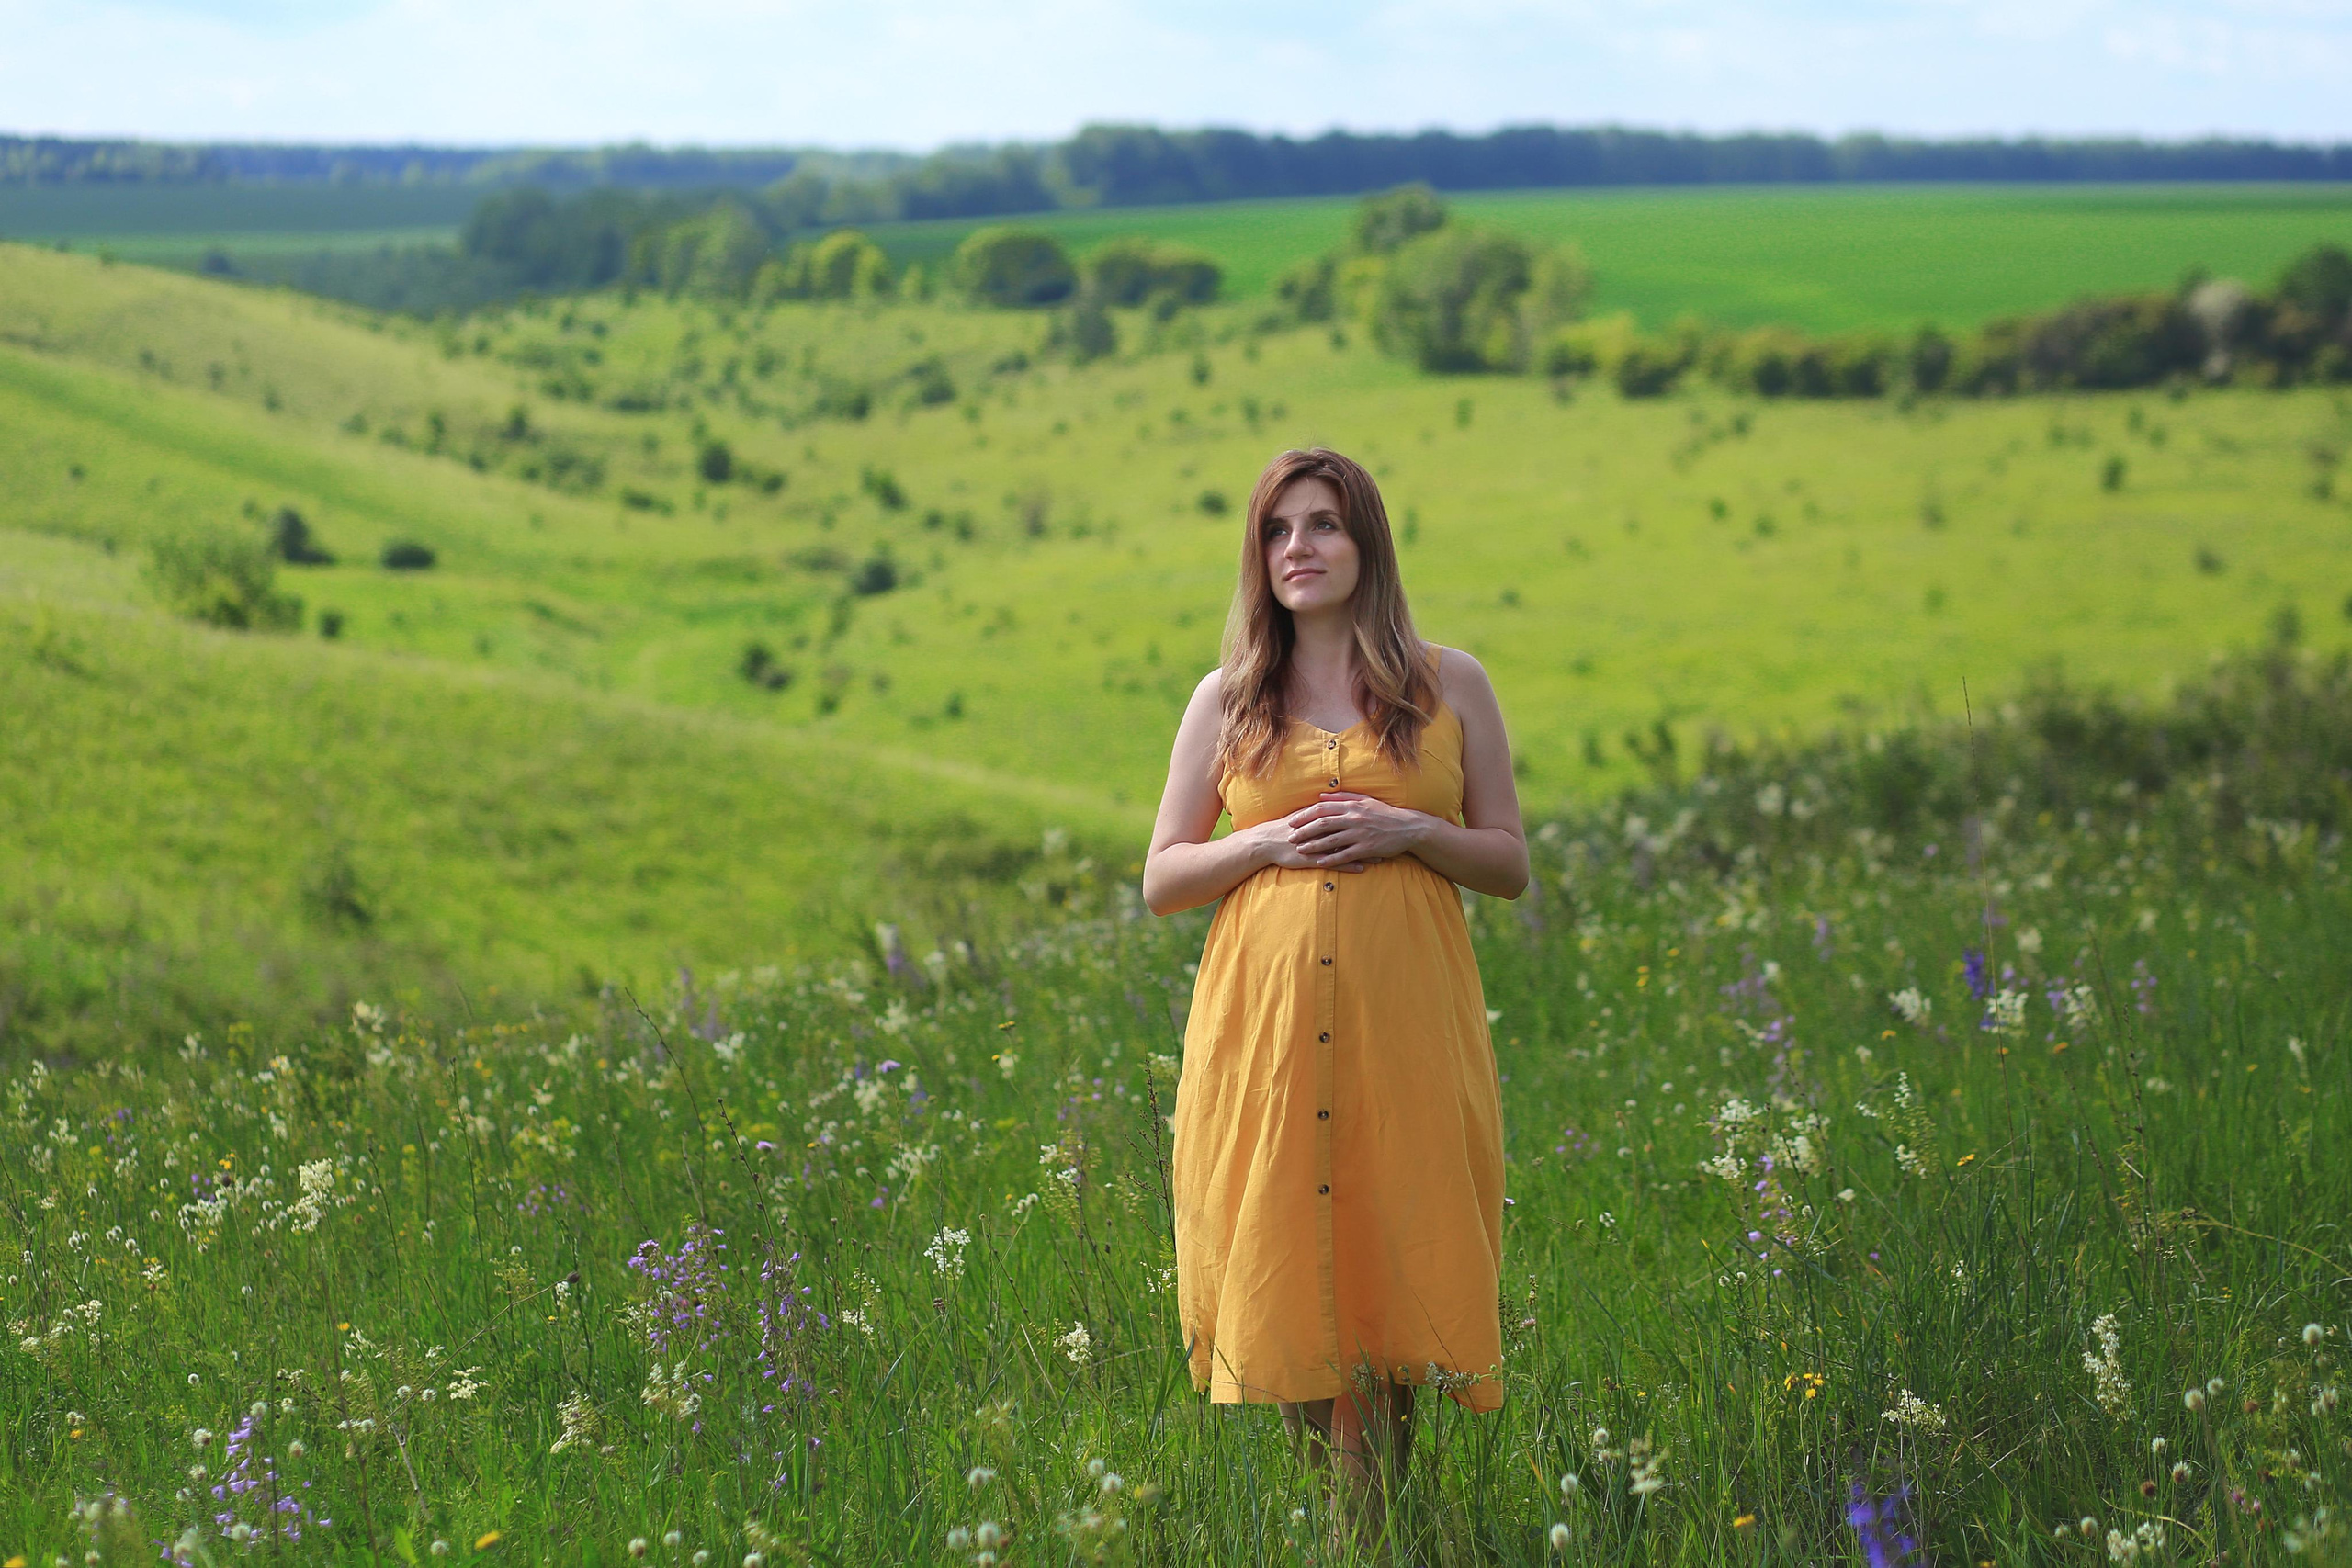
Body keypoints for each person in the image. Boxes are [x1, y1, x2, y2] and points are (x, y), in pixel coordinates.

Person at [1142, 446, 1528, 1539]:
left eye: (1322, 524)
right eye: (1276, 530)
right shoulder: (1227, 698)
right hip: (1262, 1034)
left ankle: (1374, 1525)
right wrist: (1261, 846)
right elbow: (1163, 877)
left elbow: (1507, 862)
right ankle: (1358, 1526)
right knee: (1286, 1249)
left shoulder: (1450, 684)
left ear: (1367, 543)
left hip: (1402, 1027)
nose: (1297, 548)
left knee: (1387, 1241)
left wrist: (1408, 829)